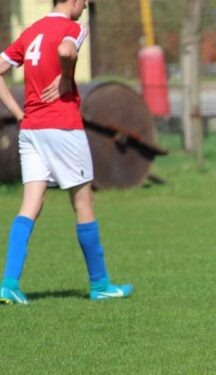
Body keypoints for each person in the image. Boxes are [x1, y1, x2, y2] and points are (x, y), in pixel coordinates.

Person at [0, 0, 132, 305]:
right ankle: (100, 285)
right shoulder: (74, 28)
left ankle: (9, 283)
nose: (86, 5)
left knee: (30, 204)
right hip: (63, 128)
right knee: (83, 202)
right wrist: (66, 77)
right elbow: (65, 51)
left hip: (30, 129)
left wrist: (18, 113)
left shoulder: (31, 32)